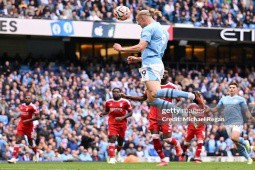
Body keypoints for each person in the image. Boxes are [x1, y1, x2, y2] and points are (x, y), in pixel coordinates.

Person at [113, 8, 204, 115]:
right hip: (157, 63)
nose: (138, 24)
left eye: (138, 21)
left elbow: (140, 47)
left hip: (150, 65)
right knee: (152, 100)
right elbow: (156, 53)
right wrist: (138, 59)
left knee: (155, 93)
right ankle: (185, 114)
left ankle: (192, 96)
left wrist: (121, 49)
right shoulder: (164, 31)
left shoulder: (148, 29)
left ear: (143, 18)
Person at [120, 69, 182, 166]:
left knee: (167, 139)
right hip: (153, 115)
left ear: (168, 75)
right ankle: (163, 160)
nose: (163, 75)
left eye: (165, 73)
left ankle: (176, 143)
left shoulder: (173, 87)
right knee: (155, 137)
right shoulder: (151, 85)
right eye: (162, 73)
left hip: (166, 115)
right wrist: (127, 96)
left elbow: (179, 100)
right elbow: (142, 98)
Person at [207, 82, 255, 165]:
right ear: (228, 89)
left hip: (238, 121)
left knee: (234, 137)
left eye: (233, 87)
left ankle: (245, 142)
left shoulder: (241, 99)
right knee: (236, 143)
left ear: (236, 89)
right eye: (230, 87)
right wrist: (209, 109)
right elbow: (216, 109)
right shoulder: (223, 99)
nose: (232, 89)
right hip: (228, 123)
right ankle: (248, 158)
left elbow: (246, 111)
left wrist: (251, 118)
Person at [100, 88, 133, 164]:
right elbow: (107, 111)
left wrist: (122, 117)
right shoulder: (108, 102)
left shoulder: (125, 102)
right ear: (112, 93)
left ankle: (117, 153)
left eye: (117, 92)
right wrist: (103, 113)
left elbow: (130, 113)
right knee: (112, 138)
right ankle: (112, 158)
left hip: (122, 123)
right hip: (112, 123)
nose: (115, 93)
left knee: (120, 142)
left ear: (120, 93)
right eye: (114, 92)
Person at [8, 92, 40, 164]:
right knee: (18, 140)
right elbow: (21, 113)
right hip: (21, 125)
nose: (27, 99)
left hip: (29, 126)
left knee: (30, 142)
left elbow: (38, 117)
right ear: (24, 99)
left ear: (31, 99)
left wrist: (28, 120)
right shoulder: (22, 106)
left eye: (29, 98)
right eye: (26, 98)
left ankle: (36, 153)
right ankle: (14, 158)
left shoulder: (33, 107)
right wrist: (15, 118)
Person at [181, 92, 210, 164]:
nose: (201, 98)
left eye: (201, 97)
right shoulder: (191, 106)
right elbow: (186, 116)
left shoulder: (205, 107)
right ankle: (183, 154)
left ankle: (197, 157)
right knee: (186, 143)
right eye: (199, 97)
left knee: (200, 141)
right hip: (191, 127)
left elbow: (208, 117)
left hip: (201, 127)